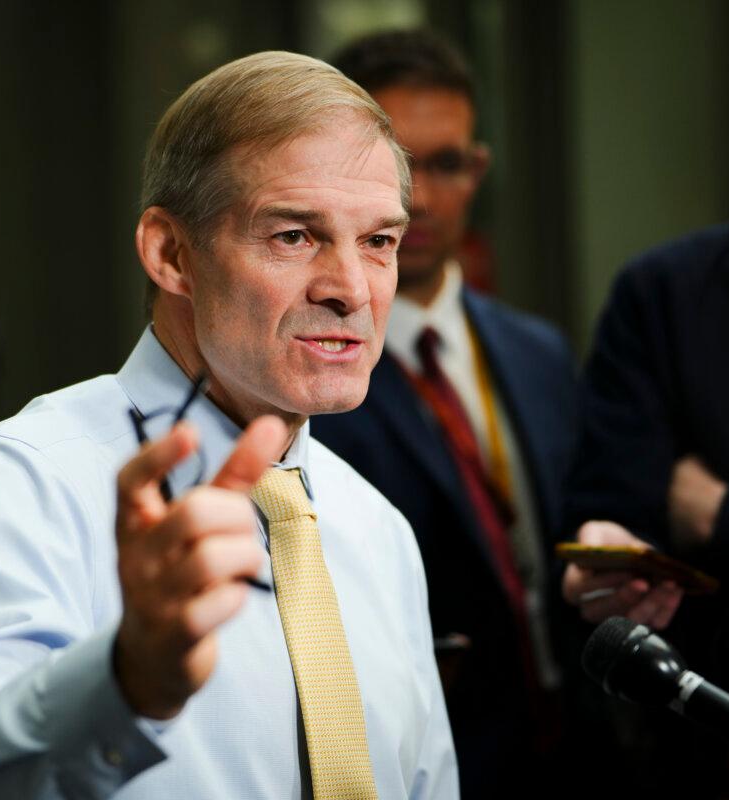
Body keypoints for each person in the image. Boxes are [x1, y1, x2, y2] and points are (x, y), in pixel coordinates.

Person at [0, 51, 458, 798]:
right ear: (170, 253)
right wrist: (125, 683)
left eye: (378, 241)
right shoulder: (25, 483)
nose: (351, 290)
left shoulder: (376, 529)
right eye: (294, 236)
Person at [562, 2, 729, 794]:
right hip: (727, 760)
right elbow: (609, 515)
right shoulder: (673, 293)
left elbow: (699, 515)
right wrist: (609, 571)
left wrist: (724, 514)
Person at [310, 30, 577, 798]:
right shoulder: (302, 373)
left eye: (446, 164)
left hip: (575, 755)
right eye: (393, 164)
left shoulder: (540, 354)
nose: (418, 197)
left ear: (479, 171)